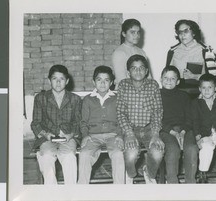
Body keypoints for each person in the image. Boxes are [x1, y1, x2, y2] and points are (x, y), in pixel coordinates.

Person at [116, 54, 164, 184]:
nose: (138, 71)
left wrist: (155, 134)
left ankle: (148, 172)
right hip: (131, 129)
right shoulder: (123, 85)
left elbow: (157, 111)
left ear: (147, 71)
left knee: (158, 152)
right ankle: (130, 174)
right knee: (131, 154)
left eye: (141, 68)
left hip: (149, 128)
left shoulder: (153, 85)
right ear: (128, 72)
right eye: (134, 68)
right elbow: (120, 112)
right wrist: (130, 134)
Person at [31, 64, 81, 184]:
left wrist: (71, 134)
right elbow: (35, 123)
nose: (58, 82)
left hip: (68, 137)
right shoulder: (40, 98)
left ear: (67, 81)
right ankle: (52, 192)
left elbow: (78, 122)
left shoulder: (75, 99)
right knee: (46, 156)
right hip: (47, 137)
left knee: (69, 157)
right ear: (49, 80)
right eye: (54, 79)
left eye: (62, 79)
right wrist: (45, 134)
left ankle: (71, 192)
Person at [78, 66, 125, 184]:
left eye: (106, 80)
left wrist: (120, 135)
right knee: (84, 154)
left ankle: (121, 191)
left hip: (113, 135)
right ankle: (80, 191)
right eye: (99, 80)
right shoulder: (88, 100)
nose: (103, 83)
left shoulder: (118, 98)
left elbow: (123, 119)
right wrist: (85, 135)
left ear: (112, 82)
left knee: (118, 154)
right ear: (93, 82)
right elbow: (83, 121)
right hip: (93, 136)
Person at [159, 65, 198, 183]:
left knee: (191, 148)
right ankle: (172, 182)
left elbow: (190, 118)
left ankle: (190, 182)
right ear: (161, 79)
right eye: (166, 78)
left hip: (184, 129)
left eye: (172, 79)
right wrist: (173, 132)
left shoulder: (184, 96)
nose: (169, 81)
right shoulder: (156, 96)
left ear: (178, 81)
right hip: (166, 130)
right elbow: (156, 119)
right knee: (173, 150)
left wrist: (182, 131)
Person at [166, 19, 216, 88]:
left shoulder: (206, 51)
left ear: (194, 33)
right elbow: (166, 76)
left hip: (199, 92)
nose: (182, 35)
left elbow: (215, 80)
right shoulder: (172, 51)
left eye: (186, 31)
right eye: (180, 32)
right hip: (177, 93)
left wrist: (194, 76)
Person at [112, 18, 150, 88]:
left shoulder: (141, 52)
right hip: (125, 93)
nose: (136, 35)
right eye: (133, 32)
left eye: (138, 32)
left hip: (142, 92)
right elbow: (121, 80)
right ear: (124, 34)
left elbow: (148, 77)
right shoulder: (119, 53)